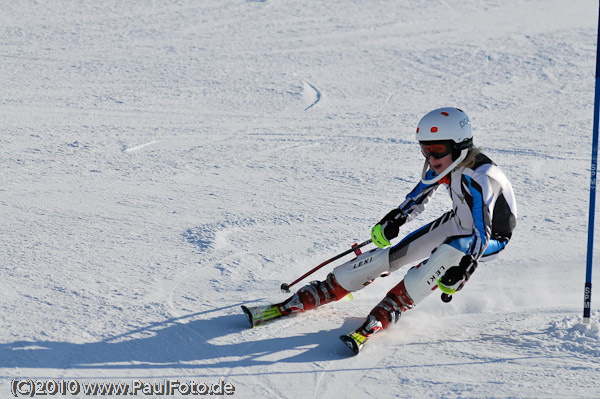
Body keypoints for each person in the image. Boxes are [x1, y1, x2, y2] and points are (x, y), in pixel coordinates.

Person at [243, 107, 517, 353]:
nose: (431, 158)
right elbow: (419, 195)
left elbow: (482, 234)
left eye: (437, 150)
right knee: (394, 255)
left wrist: (464, 269)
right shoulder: (448, 161)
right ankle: (326, 289)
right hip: (459, 220)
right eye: (426, 149)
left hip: (490, 238)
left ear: (459, 147)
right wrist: (394, 220)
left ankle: (391, 308)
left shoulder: (480, 177)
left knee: (446, 254)